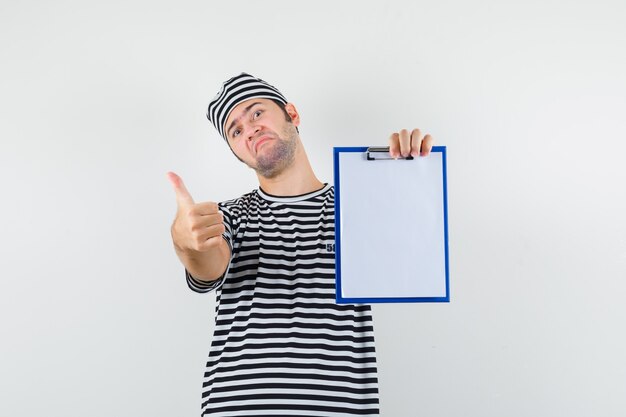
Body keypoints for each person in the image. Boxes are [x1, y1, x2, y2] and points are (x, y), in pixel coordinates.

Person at [167, 72, 433, 416]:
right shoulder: (228, 218)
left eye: (256, 113)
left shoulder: (359, 209)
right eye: (235, 130)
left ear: (292, 113)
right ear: (237, 151)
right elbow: (208, 264)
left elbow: (413, 254)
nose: (249, 128)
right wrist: (187, 242)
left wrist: (410, 177)